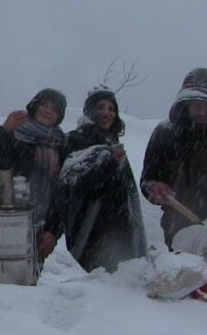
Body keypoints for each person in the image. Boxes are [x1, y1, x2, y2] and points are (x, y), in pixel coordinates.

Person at [40, 87, 146, 272]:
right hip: (90, 229)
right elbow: (70, 187)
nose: (107, 113)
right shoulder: (76, 140)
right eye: (101, 107)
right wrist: (52, 229)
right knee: (99, 288)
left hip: (119, 228)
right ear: (90, 111)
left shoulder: (111, 142)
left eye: (111, 109)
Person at [141, 68, 207, 248]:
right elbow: (148, 179)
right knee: (189, 274)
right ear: (186, 104)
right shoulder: (166, 134)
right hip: (180, 227)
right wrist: (154, 188)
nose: (203, 111)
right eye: (197, 104)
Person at [0, 88, 67, 226]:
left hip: (43, 221)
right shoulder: (16, 132)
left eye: (54, 109)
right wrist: (5, 131)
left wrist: (52, 229)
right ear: (35, 106)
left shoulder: (60, 143)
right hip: (10, 217)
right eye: (44, 105)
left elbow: (61, 190)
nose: (47, 111)